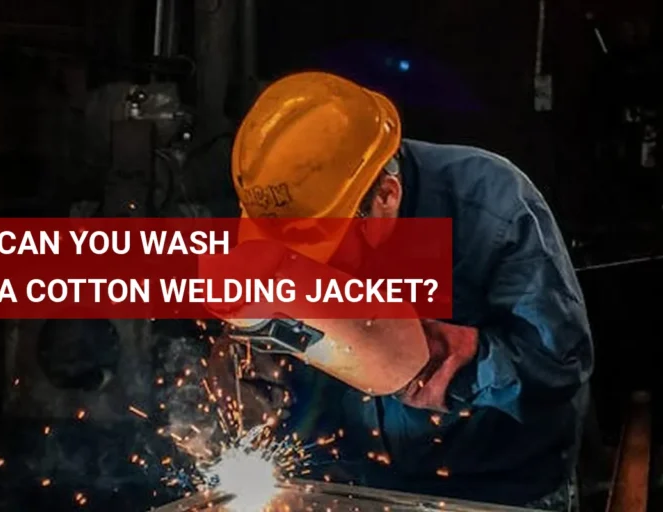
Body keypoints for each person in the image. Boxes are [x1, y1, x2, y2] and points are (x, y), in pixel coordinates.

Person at [212, 71, 593, 512]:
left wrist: (450, 360)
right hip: (367, 488)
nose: (309, 271)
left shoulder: (491, 206)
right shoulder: (295, 205)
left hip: (500, 491)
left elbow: (562, 366)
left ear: (385, 197)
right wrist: (265, 367)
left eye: (321, 252)